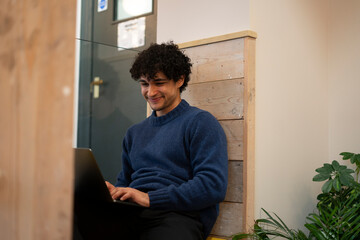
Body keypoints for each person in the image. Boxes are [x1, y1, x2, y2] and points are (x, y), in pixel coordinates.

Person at [74, 42, 228, 240]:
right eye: (145, 84)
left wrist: (149, 198)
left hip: (176, 216)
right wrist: (114, 192)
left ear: (179, 80)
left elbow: (212, 186)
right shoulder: (134, 133)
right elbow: (125, 183)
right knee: (69, 215)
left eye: (159, 82)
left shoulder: (200, 123)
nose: (151, 92)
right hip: (130, 214)